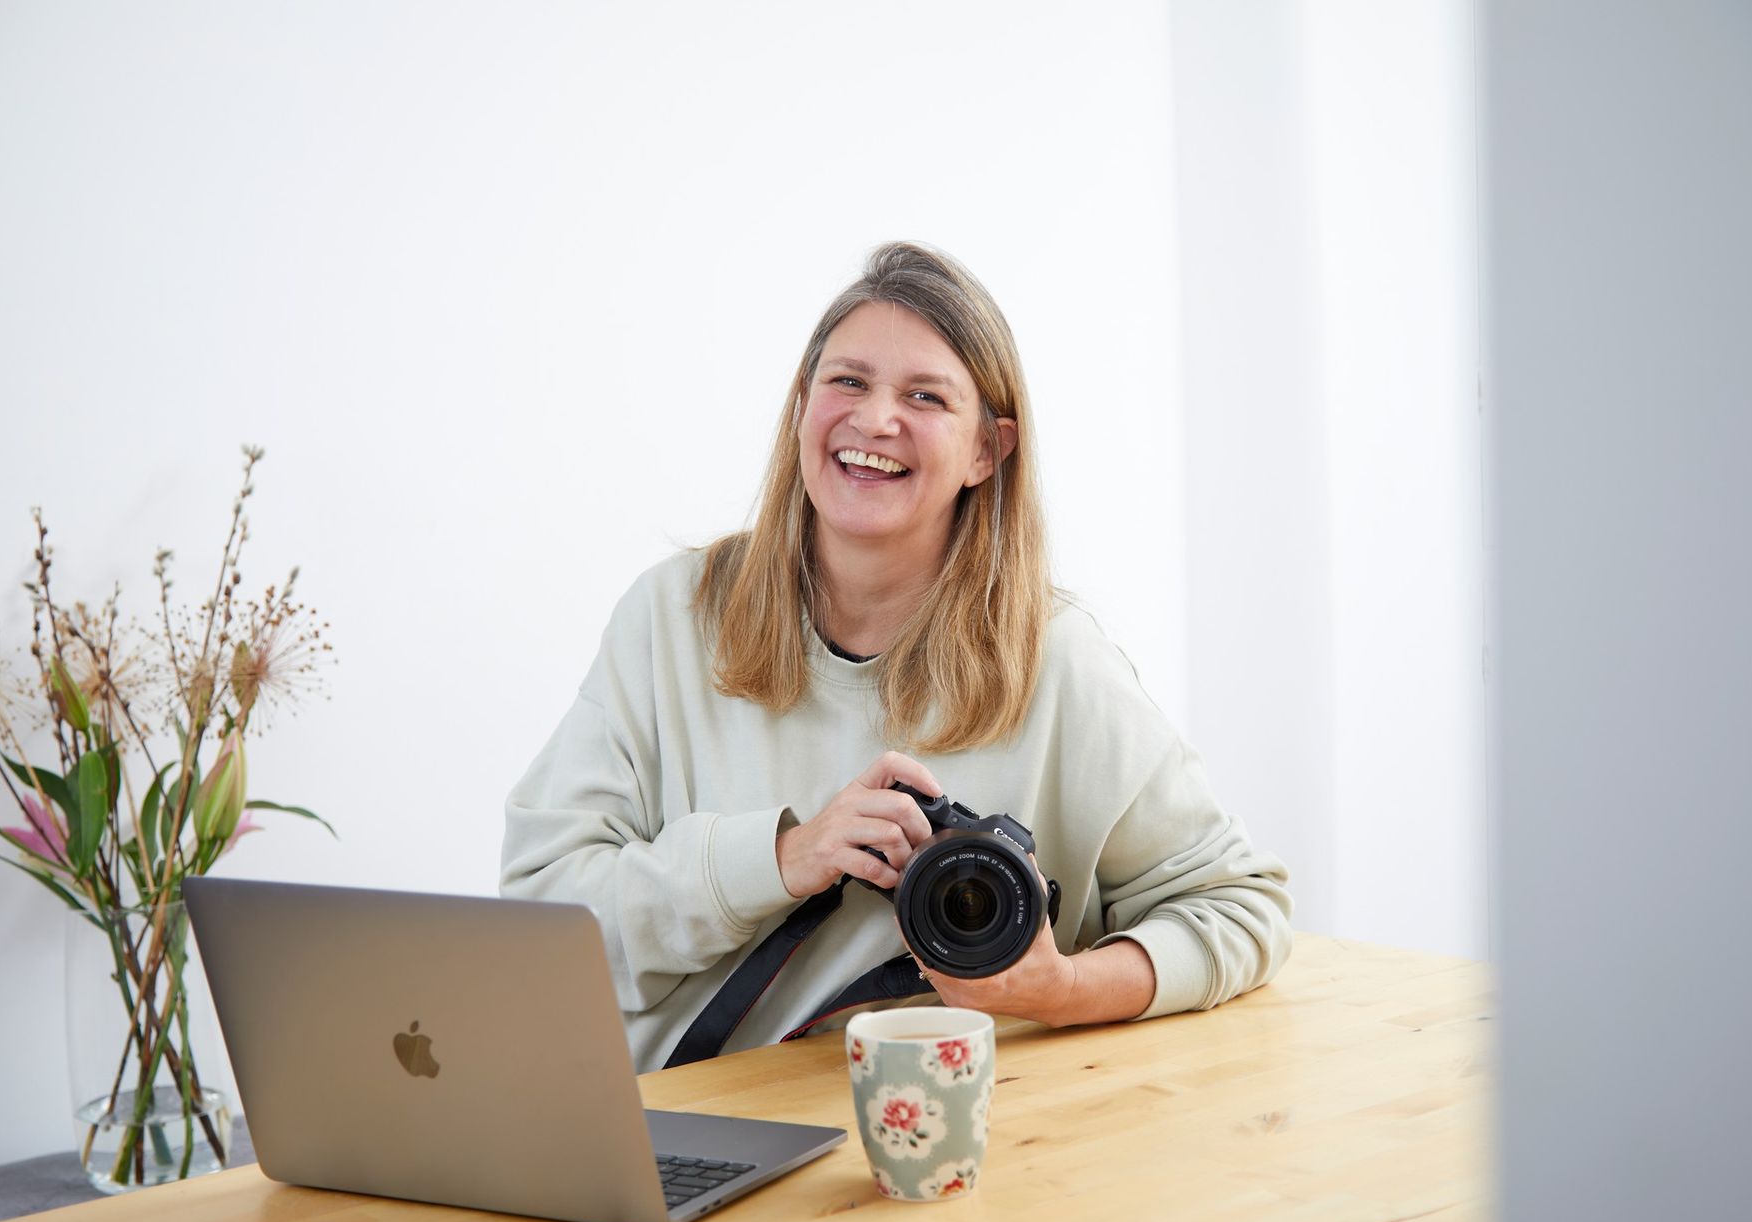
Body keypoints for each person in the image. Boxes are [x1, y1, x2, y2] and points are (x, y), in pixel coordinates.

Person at [501, 242, 1292, 1073]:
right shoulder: (673, 618)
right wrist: (782, 860)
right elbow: (541, 921)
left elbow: (1239, 906)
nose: (877, 420)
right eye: (847, 382)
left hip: (953, 1139)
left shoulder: (1051, 660)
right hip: (689, 1128)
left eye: (925, 396)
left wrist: (1057, 988)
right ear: (802, 405)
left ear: (988, 452)